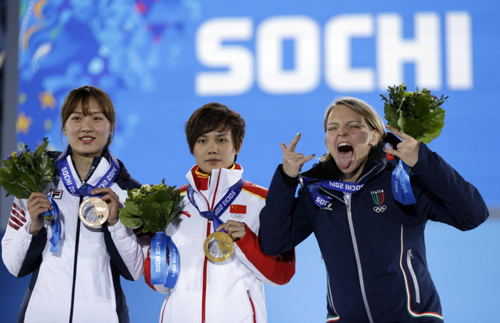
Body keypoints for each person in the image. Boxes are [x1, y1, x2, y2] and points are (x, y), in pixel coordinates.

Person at [258, 97, 489, 322]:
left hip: (412, 318)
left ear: (374, 136)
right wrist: (286, 180)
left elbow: (473, 214)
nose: (342, 132)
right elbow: (273, 243)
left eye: (354, 126)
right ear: (327, 139)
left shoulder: (400, 180)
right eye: (333, 127)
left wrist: (423, 161)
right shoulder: (317, 193)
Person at [1, 85, 144, 323]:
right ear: (64, 127)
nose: (86, 127)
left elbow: (135, 270)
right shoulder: (36, 181)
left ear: (110, 128)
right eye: (76, 118)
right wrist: (32, 228)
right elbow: (15, 266)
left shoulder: (129, 191)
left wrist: (116, 223)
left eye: (97, 118)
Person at [144, 102, 295, 323]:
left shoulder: (264, 201)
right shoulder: (171, 202)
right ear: (192, 147)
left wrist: (247, 241)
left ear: (238, 144)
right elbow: (158, 284)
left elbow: (281, 275)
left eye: (221, 140)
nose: (212, 148)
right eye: (202, 140)